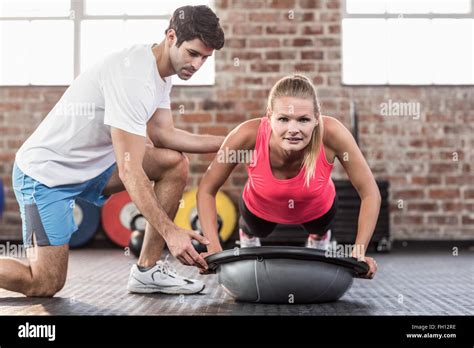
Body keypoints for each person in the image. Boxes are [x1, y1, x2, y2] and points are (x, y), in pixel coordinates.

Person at [0, 5, 225, 297]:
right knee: (44, 283)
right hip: (45, 176)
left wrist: (231, 142)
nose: (197, 65)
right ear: (171, 36)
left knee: (172, 164)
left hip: (94, 167)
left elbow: (163, 134)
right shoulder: (133, 76)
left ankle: (147, 270)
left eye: (205, 58)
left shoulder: (163, 73)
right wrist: (171, 232)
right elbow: (130, 170)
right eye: (193, 54)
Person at [197, 74, 379, 278]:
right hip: (260, 206)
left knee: (320, 227)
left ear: (317, 118)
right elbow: (207, 189)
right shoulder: (246, 135)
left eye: (303, 120)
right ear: (269, 116)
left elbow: (370, 193)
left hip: (317, 207)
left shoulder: (333, 133)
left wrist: (359, 251)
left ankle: (319, 238)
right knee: (254, 228)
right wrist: (213, 247)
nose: (293, 130)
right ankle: (247, 234)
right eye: (283, 119)